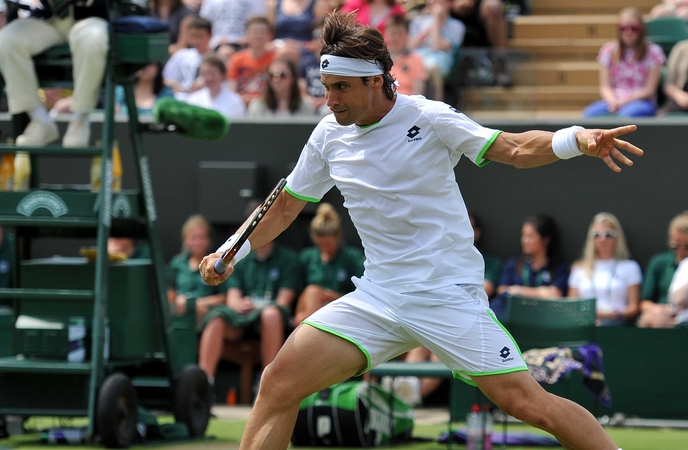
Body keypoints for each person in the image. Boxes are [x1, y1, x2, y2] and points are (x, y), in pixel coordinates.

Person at [198, 12, 642, 449]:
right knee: (278, 382)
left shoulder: (429, 117)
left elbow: (513, 148)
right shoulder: (329, 135)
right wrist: (230, 251)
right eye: (327, 88)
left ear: (375, 81)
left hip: (445, 295)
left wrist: (577, 139)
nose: (330, 101)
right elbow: (287, 205)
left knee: (531, 405)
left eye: (341, 88)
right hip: (379, 296)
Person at [0, 0, 109, 148]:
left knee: (93, 38)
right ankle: (39, 119)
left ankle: (81, 119)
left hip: (90, 18)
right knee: (6, 40)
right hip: (49, 19)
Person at [198, 236, 299, 386]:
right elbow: (232, 299)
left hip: (270, 318)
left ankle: (268, 383)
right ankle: (204, 384)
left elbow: (284, 301)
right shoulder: (240, 258)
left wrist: (258, 306)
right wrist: (240, 304)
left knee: (270, 314)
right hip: (241, 317)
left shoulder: (288, 258)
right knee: (216, 317)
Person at [583, 8, 665, 118]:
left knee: (625, 117)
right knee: (589, 114)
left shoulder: (654, 52)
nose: (628, 32)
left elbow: (649, 90)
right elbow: (605, 87)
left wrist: (624, 102)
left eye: (633, 28)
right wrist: (613, 101)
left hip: (641, 101)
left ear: (641, 29)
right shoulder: (608, 50)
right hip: (613, 100)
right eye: (623, 28)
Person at [293, 203, 364, 325]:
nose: (325, 249)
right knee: (312, 291)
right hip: (311, 306)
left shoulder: (352, 258)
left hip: (340, 308)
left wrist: (334, 296)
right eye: (321, 245)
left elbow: (362, 294)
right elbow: (298, 291)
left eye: (328, 245)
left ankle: (308, 334)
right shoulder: (307, 257)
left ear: (338, 236)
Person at [567, 213, 642, 326]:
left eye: (608, 234)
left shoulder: (630, 267)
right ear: (590, 238)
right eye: (597, 234)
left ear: (617, 237)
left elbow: (633, 308)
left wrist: (605, 315)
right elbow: (571, 305)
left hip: (617, 327)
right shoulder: (579, 268)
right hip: (584, 326)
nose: (602, 239)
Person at [494, 215, 570, 319]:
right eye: (523, 235)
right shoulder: (513, 264)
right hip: (511, 318)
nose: (525, 241)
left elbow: (554, 295)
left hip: (543, 321)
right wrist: (541, 293)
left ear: (545, 239)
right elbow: (503, 290)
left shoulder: (559, 267)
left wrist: (519, 290)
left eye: (531, 236)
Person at [167, 215, 226, 322]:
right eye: (193, 238)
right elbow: (170, 295)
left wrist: (195, 302)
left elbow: (223, 297)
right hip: (180, 311)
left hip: (207, 312)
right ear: (185, 240)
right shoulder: (177, 263)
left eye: (202, 238)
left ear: (208, 240)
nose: (198, 242)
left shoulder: (216, 263)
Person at [638, 211, 688, 328]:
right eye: (676, 245)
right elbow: (645, 302)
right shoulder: (659, 262)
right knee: (653, 317)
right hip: (662, 318)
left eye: (687, 246)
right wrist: (661, 310)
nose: (681, 251)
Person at [408, 0, 465, 101]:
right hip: (417, 58)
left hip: (440, 61)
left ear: (448, 3)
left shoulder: (457, 26)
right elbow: (410, 45)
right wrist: (426, 30)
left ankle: (437, 105)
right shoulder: (418, 21)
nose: (431, 2)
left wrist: (436, 20)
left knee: (431, 67)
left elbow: (436, 45)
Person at [227, 16, 275, 106]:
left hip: (266, 104)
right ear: (247, 35)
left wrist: (255, 99)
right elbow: (231, 88)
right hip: (241, 103)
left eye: (262, 32)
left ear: (270, 35)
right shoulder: (236, 59)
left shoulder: (275, 60)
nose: (258, 36)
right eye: (254, 32)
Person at [247, 56, 317, 117]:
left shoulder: (304, 106)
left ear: (292, 79)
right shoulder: (257, 106)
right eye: (271, 75)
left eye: (282, 75)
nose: (276, 79)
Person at [163, 15, 212, 100]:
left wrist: (206, 83)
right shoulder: (182, 55)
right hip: (181, 98)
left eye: (200, 36)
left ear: (210, 36)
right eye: (194, 36)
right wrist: (175, 85)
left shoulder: (215, 59)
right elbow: (166, 79)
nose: (196, 41)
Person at [385, 14, 426, 96]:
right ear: (387, 34)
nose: (396, 38)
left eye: (399, 34)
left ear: (407, 34)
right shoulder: (380, 60)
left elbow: (418, 93)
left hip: (408, 103)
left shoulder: (416, 59)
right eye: (393, 33)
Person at [199, 0, 268, 49]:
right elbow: (204, 24)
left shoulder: (257, 1)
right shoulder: (209, 1)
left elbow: (259, 22)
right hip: (216, 45)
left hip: (245, 46)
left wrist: (246, 39)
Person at [469, 210, 501, 299]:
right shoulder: (444, 259)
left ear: (477, 232)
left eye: (469, 228)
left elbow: (483, 292)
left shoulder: (491, 262)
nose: (464, 233)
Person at [657, 39, 688, 116]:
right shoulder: (681, 48)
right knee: (661, 118)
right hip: (680, 100)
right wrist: (679, 95)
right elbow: (668, 85)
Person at [340, 0, 405, 35]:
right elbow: (342, 23)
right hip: (354, 49)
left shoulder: (398, 10)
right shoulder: (356, 4)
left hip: (384, 53)